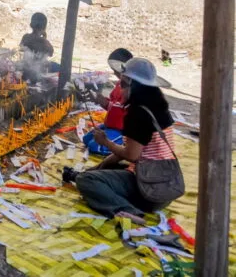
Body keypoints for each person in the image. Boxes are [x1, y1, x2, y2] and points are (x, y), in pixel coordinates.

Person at [71, 58, 178, 224]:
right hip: (166, 187)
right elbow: (124, 153)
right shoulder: (157, 106)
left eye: (122, 84)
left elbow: (131, 155)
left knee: (86, 181)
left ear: (134, 86)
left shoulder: (137, 113)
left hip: (149, 191)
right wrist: (98, 168)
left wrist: (105, 142)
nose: (119, 88)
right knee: (100, 172)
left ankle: (128, 211)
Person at [81, 48, 133, 155]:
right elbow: (112, 105)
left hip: (121, 130)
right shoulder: (119, 83)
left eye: (115, 69)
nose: (114, 72)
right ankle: (112, 140)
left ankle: (122, 146)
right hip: (109, 126)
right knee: (86, 139)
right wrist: (101, 100)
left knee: (94, 146)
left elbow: (121, 109)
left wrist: (103, 102)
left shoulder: (130, 88)